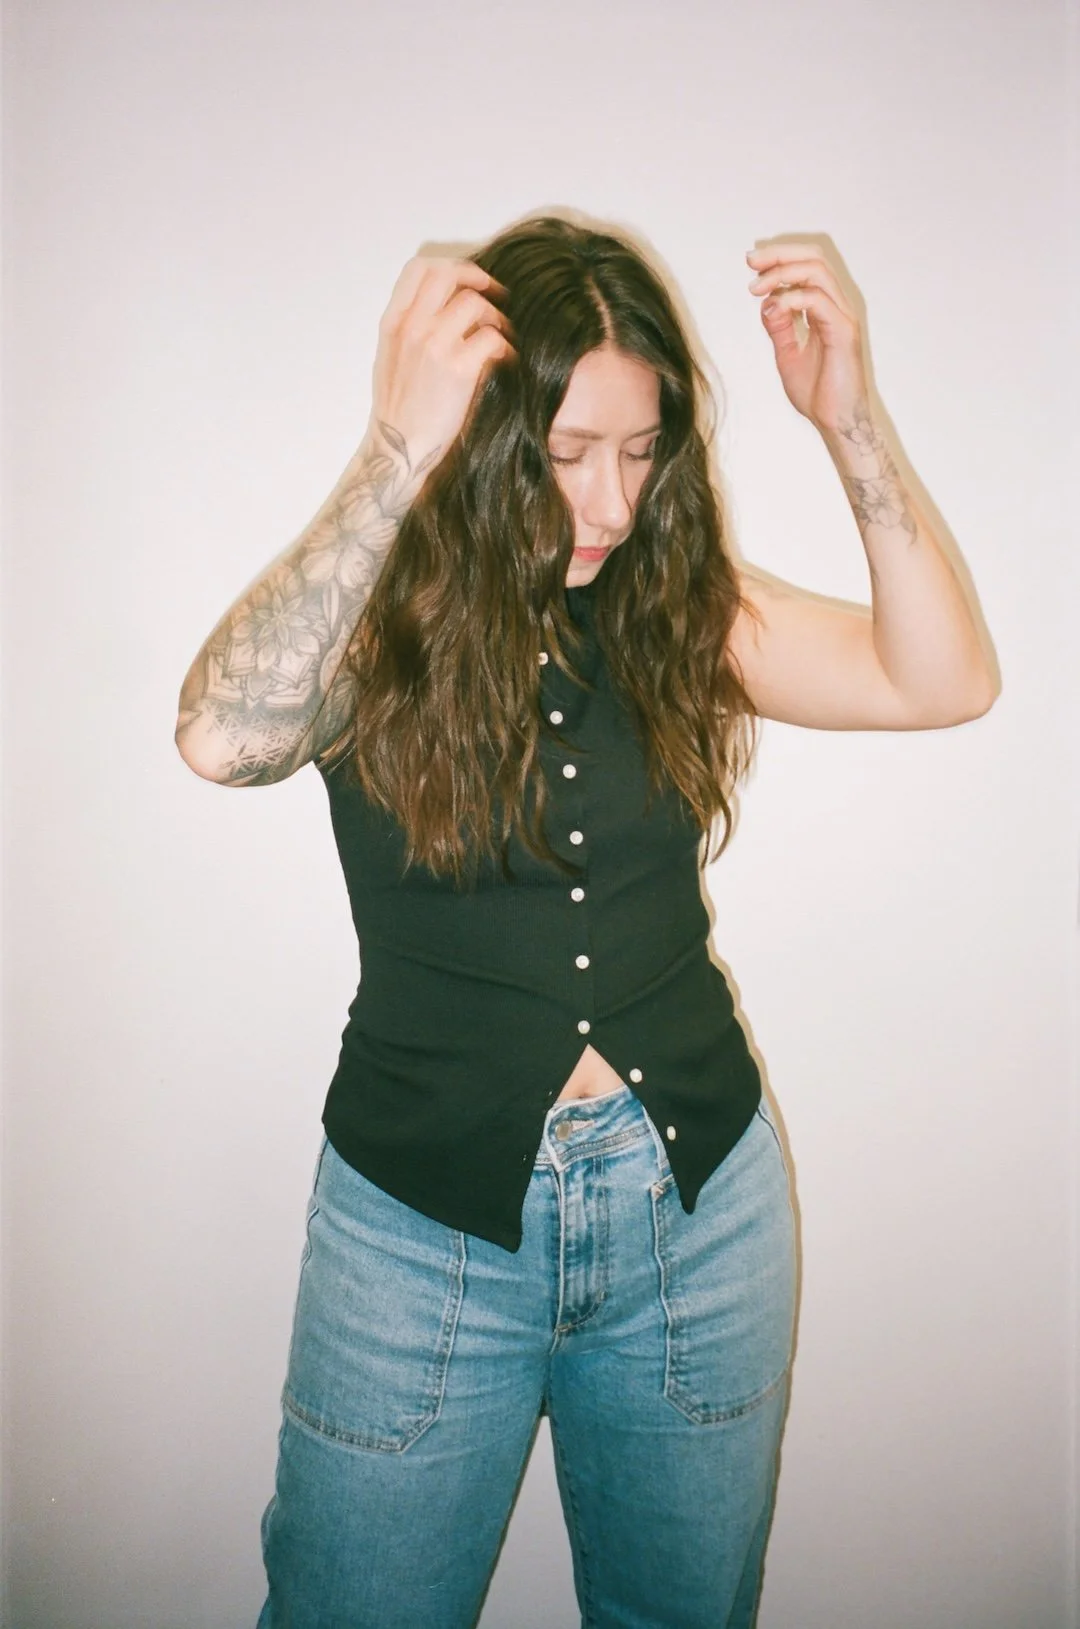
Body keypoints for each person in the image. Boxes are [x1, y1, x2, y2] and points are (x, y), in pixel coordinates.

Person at [175, 214, 996, 1629]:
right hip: (422, 1233)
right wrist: (389, 452)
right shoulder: (379, 618)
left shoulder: (682, 604)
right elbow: (218, 739)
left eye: (638, 450)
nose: (609, 503)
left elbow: (941, 679)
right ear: (485, 440)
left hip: (695, 1208)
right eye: (562, 456)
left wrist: (849, 425)